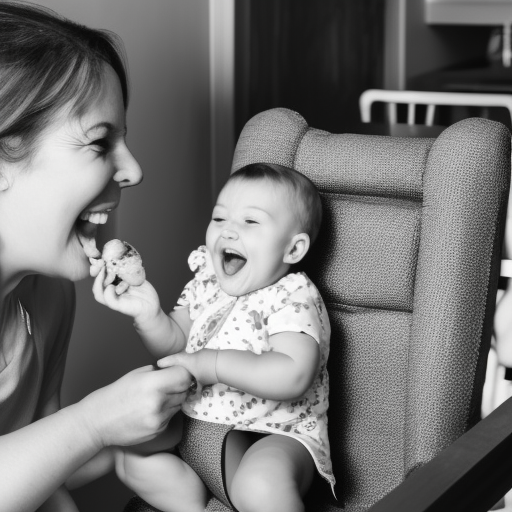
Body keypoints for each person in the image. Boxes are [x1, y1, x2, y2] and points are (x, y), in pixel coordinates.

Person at [0, 3, 191, 511]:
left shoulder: (47, 294)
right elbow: (70, 434)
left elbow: (45, 474)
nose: (133, 170)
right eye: (100, 141)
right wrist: (96, 422)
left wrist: (127, 435)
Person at [92, 162, 336, 512]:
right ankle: (196, 506)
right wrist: (149, 316)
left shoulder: (291, 295)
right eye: (219, 219)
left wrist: (214, 365)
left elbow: (293, 373)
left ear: (293, 250)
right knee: (132, 457)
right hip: (196, 431)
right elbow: (176, 346)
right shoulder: (207, 284)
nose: (228, 232)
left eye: (250, 221)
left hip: (273, 434)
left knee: (261, 486)